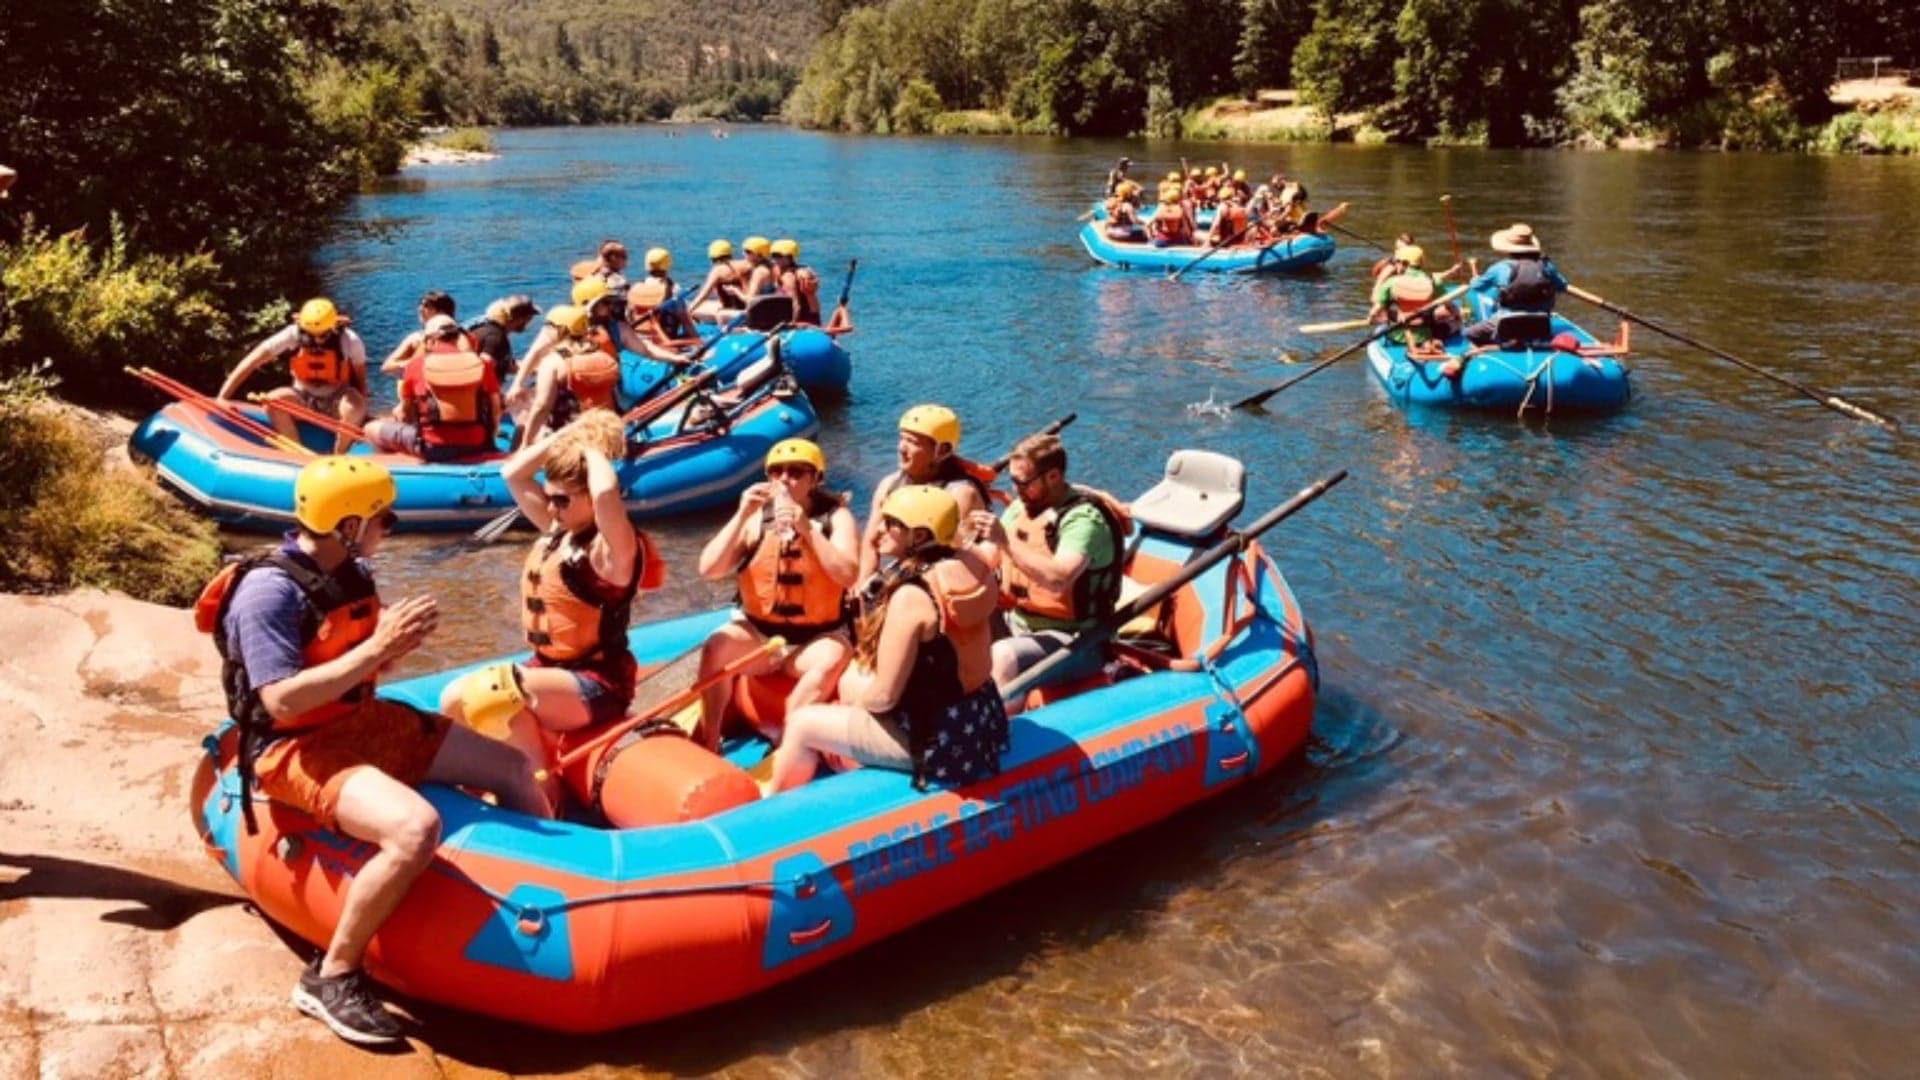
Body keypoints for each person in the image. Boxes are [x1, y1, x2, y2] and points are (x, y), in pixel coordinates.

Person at [196, 456, 547, 1045]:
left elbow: (363, 671)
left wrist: (395, 649)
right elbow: (280, 700)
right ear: (348, 524)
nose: (391, 526)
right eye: (383, 518)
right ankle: (331, 976)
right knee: (414, 828)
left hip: (358, 720)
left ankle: (535, 905)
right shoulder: (269, 594)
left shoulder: (352, 571)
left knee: (511, 766)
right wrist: (376, 648)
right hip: (294, 748)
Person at [438, 413, 660, 806]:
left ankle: (544, 797)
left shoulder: (611, 553)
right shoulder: (560, 533)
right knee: (453, 698)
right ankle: (468, 790)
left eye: (562, 500)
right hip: (549, 672)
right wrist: (569, 435)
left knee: (496, 694)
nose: (552, 508)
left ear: (590, 500)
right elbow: (514, 474)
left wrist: (592, 449)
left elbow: (608, 493)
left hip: (596, 684)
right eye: (551, 497)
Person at [764, 485, 1006, 794]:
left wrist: (851, 709)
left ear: (919, 536)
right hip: (982, 718)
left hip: (941, 741)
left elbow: (884, 698)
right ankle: (851, 753)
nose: (878, 530)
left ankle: (772, 808)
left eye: (891, 523)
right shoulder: (974, 563)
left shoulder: (912, 596)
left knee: (802, 723)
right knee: (852, 680)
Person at [693, 439, 860, 748]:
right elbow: (709, 569)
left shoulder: (836, 519)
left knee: (831, 658)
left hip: (815, 639)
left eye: (796, 472)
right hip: (761, 639)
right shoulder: (756, 519)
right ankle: (710, 738)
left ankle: (785, 742)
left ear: (816, 479)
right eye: (776, 472)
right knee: (715, 647)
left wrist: (806, 528)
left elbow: (848, 575)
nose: (784, 479)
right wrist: (742, 514)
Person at [967, 433, 1128, 701]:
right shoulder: (1020, 508)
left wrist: (1004, 540)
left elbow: (1059, 579)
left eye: (1024, 482)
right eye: (1013, 480)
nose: (1016, 489)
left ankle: (997, 735)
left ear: (1053, 476)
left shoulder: (1083, 520)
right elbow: (990, 556)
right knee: (957, 619)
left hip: (1076, 639)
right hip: (1019, 621)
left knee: (1004, 656)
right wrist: (951, 545)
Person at [219, 298, 369, 455]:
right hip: (303, 397)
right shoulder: (292, 334)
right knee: (272, 401)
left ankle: (339, 455)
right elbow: (251, 362)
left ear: (334, 327)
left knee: (354, 407)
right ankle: (297, 455)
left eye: (323, 335)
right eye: (311, 335)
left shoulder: (350, 341)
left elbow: (360, 379)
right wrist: (223, 397)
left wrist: (362, 409)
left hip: (336, 398)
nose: (317, 340)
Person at [860, 404, 994, 580]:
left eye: (913, 442)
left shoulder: (961, 494)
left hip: (951, 578)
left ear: (942, 450)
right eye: (902, 439)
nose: (902, 448)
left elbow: (946, 555)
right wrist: (863, 589)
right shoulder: (889, 485)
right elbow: (871, 543)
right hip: (911, 570)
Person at [363, 314, 502, 461]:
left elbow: (405, 413)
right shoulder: (481, 364)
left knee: (371, 429)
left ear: (430, 340)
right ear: (458, 337)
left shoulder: (415, 365)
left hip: (432, 447)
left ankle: (397, 472)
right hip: (477, 445)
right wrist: (489, 443)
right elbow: (495, 410)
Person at [518, 305, 620, 445]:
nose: (546, 329)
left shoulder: (553, 362)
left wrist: (526, 444)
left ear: (560, 330)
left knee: (523, 417)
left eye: (550, 325)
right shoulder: (602, 354)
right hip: (608, 431)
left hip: (572, 439)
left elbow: (542, 407)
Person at [1464, 223, 1570, 346]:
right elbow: (1562, 286)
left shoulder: (1500, 267)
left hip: (1507, 321)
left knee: (1469, 333)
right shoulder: (1547, 266)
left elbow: (1476, 287)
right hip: (1541, 322)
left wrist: (1474, 279)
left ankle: (1491, 348)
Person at [378, 291, 459, 377]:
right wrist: (415, 363)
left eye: (427, 306)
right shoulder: (416, 338)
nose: (420, 309)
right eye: (420, 305)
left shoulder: (416, 339)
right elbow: (387, 367)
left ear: (441, 311)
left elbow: (386, 368)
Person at [470, 294, 540, 387]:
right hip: (480, 394)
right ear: (519, 319)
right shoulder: (495, 337)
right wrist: (495, 395)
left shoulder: (487, 326)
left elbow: (506, 365)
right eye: (529, 318)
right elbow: (485, 364)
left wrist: (538, 370)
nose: (530, 322)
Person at [686, 239, 749, 324]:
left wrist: (688, 311)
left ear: (712, 257)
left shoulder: (717, 270)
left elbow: (703, 295)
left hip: (732, 313)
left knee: (694, 309)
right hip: (748, 309)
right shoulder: (745, 264)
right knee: (711, 303)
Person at [770, 239, 821, 325]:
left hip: (803, 319)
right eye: (773, 255)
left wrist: (792, 323)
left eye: (779, 256)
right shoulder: (801, 269)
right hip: (813, 316)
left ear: (790, 257)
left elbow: (796, 305)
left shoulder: (788, 276)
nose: (775, 259)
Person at [740, 235, 780, 301]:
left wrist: (735, 291)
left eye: (747, 251)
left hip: (762, 309)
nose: (743, 254)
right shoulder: (773, 266)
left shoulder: (760, 271)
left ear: (759, 255)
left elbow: (750, 300)